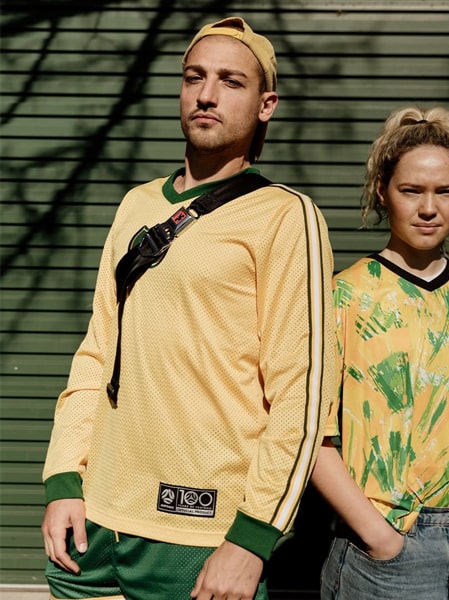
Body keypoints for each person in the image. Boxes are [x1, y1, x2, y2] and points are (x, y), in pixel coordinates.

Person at [41, 16, 336, 600]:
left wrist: (252, 539)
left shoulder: (285, 217)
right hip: (93, 521)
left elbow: (303, 394)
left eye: (231, 81)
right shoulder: (136, 204)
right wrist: (63, 477)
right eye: (194, 77)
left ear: (266, 105)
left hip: (199, 535)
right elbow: (98, 350)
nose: (206, 94)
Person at [311, 106, 449, 600]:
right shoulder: (342, 299)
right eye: (411, 190)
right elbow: (313, 435)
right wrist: (379, 536)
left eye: (445, 191)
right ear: (381, 192)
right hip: (385, 552)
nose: (428, 208)